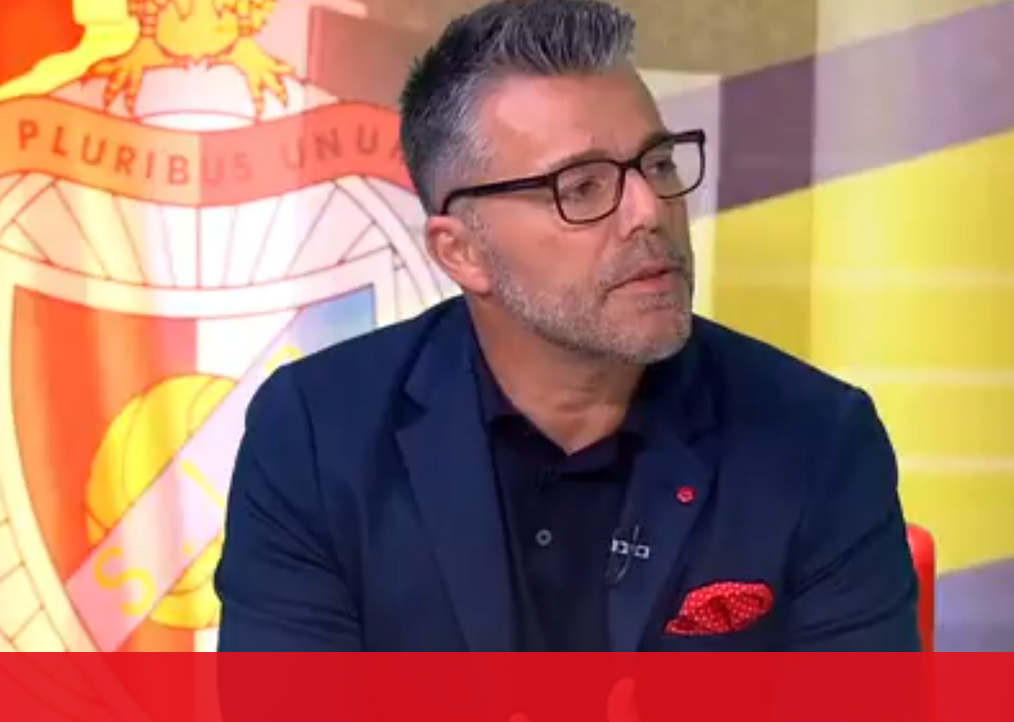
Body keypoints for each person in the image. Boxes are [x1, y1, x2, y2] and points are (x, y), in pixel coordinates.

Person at [212, 0, 921, 652]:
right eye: (582, 186)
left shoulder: (816, 440)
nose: (649, 211)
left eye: (658, 163)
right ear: (462, 252)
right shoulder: (316, 436)